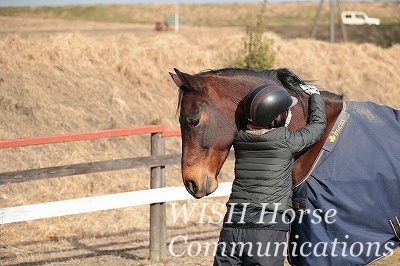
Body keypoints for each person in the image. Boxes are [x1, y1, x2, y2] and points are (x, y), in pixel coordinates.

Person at [213, 83, 326, 266]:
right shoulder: (286, 140)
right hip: (267, 228)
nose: (289, 113)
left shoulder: (240, 138)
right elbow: (318, 126)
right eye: (287, 110)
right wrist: (315, 96)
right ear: (278, 115)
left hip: (232, 224)